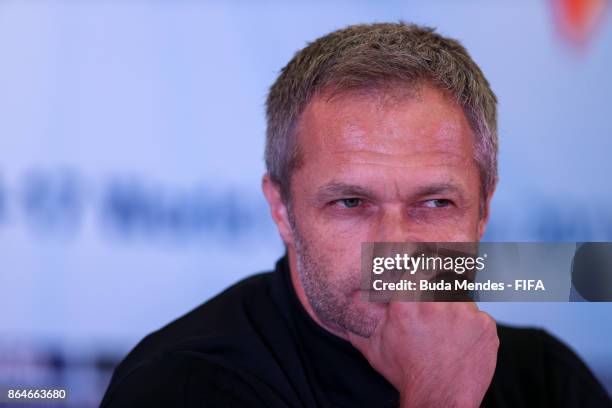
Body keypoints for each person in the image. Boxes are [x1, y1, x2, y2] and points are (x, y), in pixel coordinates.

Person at [101, 22, 611, 407]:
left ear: (484, 211)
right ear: (281, 209)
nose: (395, 248)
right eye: (350, 203)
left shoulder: (546, 380)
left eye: (435, 204)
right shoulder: (184, 383)